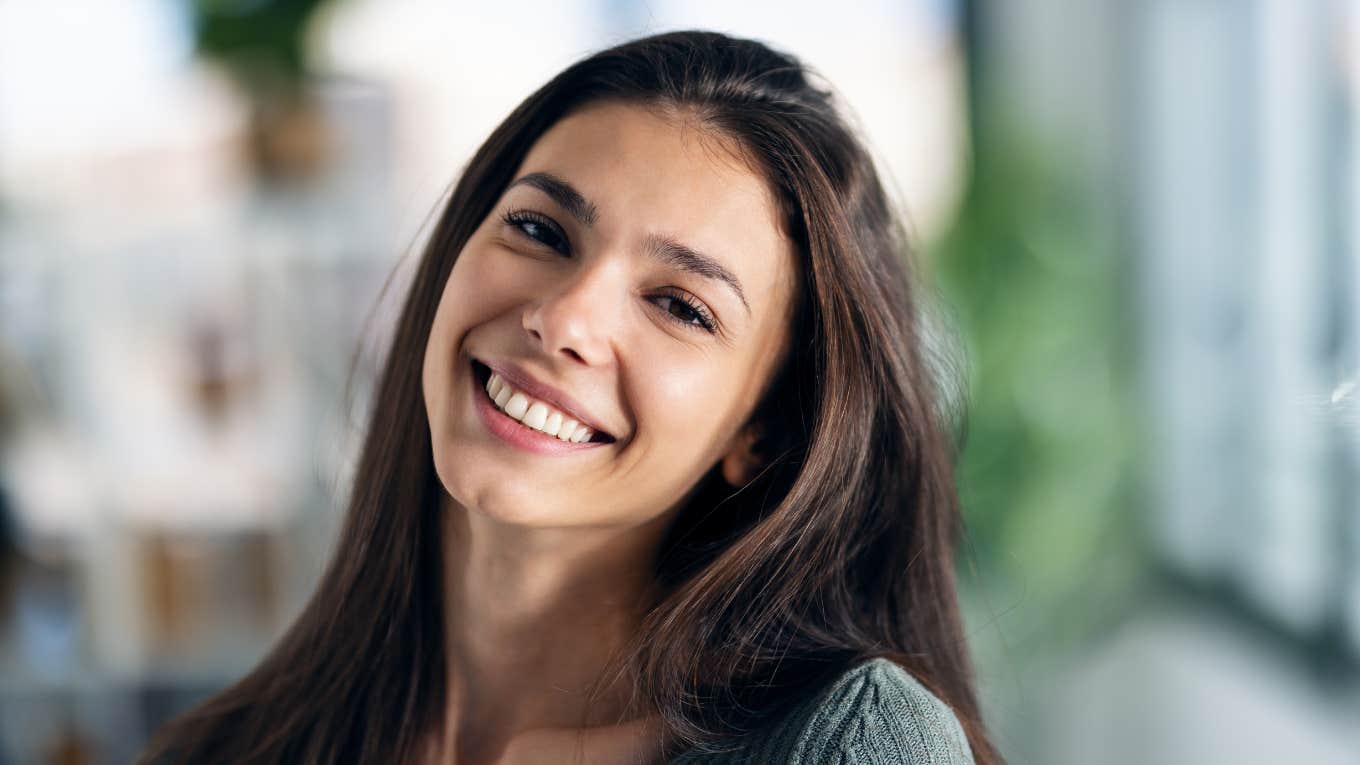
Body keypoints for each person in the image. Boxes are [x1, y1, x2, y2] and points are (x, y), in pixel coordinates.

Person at [141, 30, 1003, 765]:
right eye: (540, 229)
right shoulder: (225, 748)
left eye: (679, 306)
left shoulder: (851, 742)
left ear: (764, 431)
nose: (562, 318)